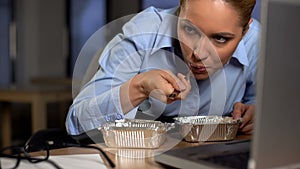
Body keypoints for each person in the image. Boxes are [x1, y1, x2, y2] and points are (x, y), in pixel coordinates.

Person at [66, 0, 259, 136]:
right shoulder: (143, 34)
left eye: (220, 38)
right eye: (189, 30)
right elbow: (76, 123)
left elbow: (257, 104)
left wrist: (253, 114)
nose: (198, 53)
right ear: (179, 11)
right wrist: (138, 88)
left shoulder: (256, 42)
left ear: (245, 31)